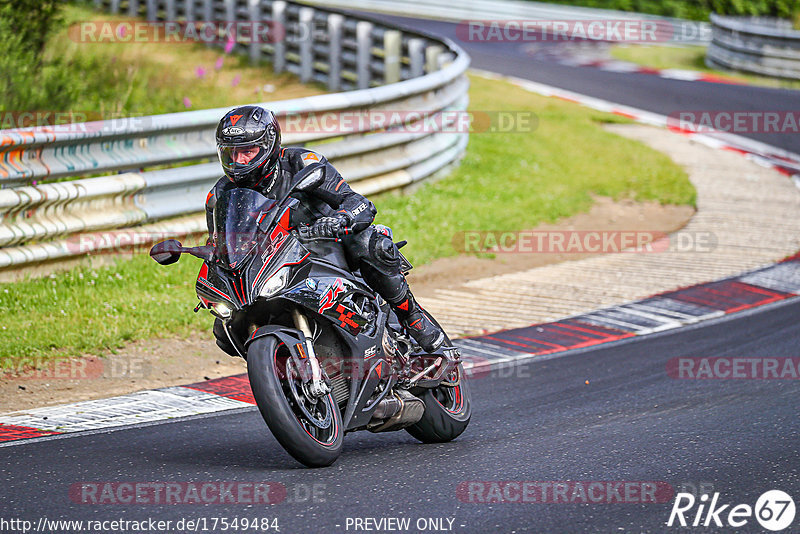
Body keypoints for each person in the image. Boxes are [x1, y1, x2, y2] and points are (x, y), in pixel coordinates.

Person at [206, 105, 445, 353]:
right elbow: (223, 247)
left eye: (247, 151)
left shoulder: (302, 163)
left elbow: (357, 203)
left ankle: (412, 316)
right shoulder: (220, 194)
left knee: (369, 243)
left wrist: (340, 220)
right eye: (230, 153)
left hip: (328, 247)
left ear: (268, 146)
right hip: (273, 264)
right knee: (225, 327)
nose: (238, 161)